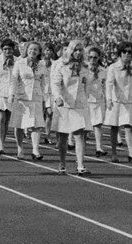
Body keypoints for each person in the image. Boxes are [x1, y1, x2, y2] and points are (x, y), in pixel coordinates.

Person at [50, 40, 92, 176]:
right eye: (75, 50)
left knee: (80, 134)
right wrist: (57, 98)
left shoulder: (85, 66)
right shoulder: (60, 64)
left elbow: (86, 85)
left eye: (80, 50)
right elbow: (55, 84)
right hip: (64, 103)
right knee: (62, 136)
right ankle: (62, 163)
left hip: (79, 103)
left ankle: (80, 165)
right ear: (70, 51)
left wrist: (86, 100)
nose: (78, 53)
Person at [10, 41, 48, 160]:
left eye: (35, 50)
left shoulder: (42, 64)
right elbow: (14, 80)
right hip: (22, 97)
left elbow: (44, 83)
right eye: (31, 49)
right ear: (27, 50)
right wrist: (11, 94)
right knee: (19, 124)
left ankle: (35, 150)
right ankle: (20, 148)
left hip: (36, 97)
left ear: (39, 52)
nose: (33, 52)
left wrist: (45, 99)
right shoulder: (19, 63)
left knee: (36, 125)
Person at [85, 46, 107, 157]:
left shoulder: (103, 71)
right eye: (91, 57)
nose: (93, 59)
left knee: (98, 125)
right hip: (87, 100)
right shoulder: (84, 69)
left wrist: (107, 100)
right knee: (85, 127)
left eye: (95, 57)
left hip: (99, 101)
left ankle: (99, 147)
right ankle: (81, 148)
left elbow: (105, 86)